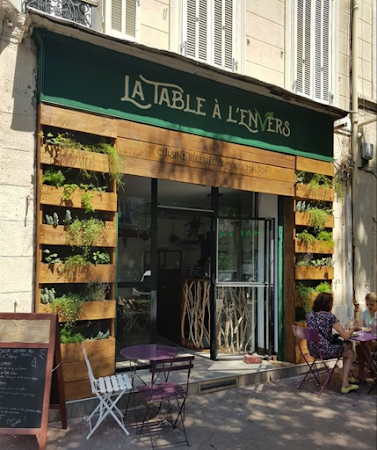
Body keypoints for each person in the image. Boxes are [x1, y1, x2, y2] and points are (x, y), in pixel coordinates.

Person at [306, 292, 360, 394]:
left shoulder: (310, 315)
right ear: (329, 304)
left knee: (347, 344)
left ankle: (348, 376)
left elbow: (321, 332)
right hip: (325, 351)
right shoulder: (329, 317)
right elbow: (346, 336)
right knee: (350, 352)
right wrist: (353, 329)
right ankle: (345, 384)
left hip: (313, 349)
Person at [354, 292, 377, 382]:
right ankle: (372, 370)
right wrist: (358, 325)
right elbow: (363, 327)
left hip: (375, 340)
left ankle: (362, 375)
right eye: (367, 304)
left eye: (372, 304)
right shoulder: (365, 312)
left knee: (361, 346)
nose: (369, 307)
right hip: (368, 339)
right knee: (359, 346)